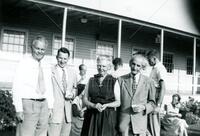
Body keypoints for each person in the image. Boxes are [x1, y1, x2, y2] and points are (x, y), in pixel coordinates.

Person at [12, 35, 54, 136]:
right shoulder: (24, 63)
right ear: (32, 47)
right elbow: (16, 87)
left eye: (42, 49)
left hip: (44, 105)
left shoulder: (46, 65)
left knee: (41, 134)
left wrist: (50, 107)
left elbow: (49, 86)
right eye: (37, 48)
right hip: (28, 105)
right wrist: (19, 109)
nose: (40, 51)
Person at [81, 56, 121, 136]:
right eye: (99, 65)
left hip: (108, 117)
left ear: (109, 67)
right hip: (92, 116)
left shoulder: (113, 81)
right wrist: (94, 105)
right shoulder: (91, 80)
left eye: (104, 66)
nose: (101, 68)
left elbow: (118, 102)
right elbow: (85, 99)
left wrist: (107, 105)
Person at [118, 54, 156, 136]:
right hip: (124, 123)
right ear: (130, 64)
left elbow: (153, 103)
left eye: (138, 65)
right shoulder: (120, 80)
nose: (135, 68)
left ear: (142, 67)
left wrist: (144, 107)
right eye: (133, 64)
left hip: (140, 123)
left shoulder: (149, 81)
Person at [48, 47, 77, 136]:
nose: (62, 61)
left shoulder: (72, 72)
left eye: (65, 58)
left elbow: (75, 88)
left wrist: (72, 94)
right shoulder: (50, 71)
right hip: (54, 113)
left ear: (68, 59)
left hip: (67, 114)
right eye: (60, 58)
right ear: (57, 57)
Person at [146, 49, 167, 136]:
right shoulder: (154, 68)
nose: (148, 61)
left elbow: (163, 88)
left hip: (155, 98)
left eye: (149, 59)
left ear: (154, 58)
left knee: (154, 125)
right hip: (151, 98)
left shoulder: (160, 69)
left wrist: (158, 105)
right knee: (150, 125)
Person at [70, 64, 88, 136]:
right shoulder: (76, 77)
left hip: (84, 98)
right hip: (77, 97)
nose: (84, 71)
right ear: (80, 70)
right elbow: (74, 88)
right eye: (83, 70)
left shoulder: (87, 78)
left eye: (85, 70)